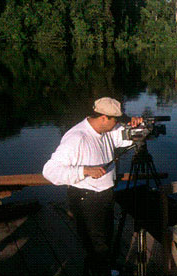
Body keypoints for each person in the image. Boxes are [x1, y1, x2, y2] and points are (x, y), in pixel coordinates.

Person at [43, 97, 142, 276]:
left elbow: (125, 138)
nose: (118, 123)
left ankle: (100, 270)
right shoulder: (77, 137)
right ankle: (100, 271)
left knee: (105, 240)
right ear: (104, 117)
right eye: (116, 120)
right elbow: (50, 171)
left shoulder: (106, 131)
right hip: (86, 199)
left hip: (105, 195)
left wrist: (137, 127)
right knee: (97, 245)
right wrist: (84, 170)